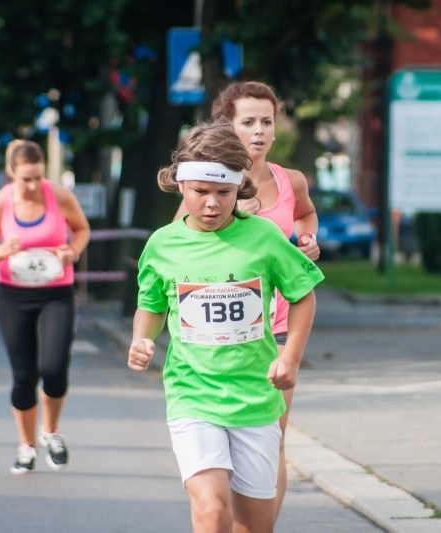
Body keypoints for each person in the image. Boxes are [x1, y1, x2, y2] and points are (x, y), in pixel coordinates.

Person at [129, 120, 324, 532]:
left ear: (240, 188)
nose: (213, 204)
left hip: (255, 397)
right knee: (213, 510)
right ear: (181, 185)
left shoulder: (264, 237)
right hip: (192, 394)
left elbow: (303, 295)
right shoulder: (162, 245)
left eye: (224, 192)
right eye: (201, 192)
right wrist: (141, 340)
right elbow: (150, 305)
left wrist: (291, 357)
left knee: (255, 524)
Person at [174, 80, 320, 521]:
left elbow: (305, 215)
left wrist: (308, 238)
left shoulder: (290, 179)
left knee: (272, 435)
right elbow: (179, 248)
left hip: (276, 325)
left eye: (267, 122)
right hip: (227, 335)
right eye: (248, 122)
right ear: (228, 128)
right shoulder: (206, 188)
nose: (258, 131)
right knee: (221, 452)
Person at [0, 140, 90, 474]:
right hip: (15, 297)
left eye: (38, 177)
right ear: (12, 174)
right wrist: (2, 251)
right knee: (24, 376)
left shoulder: (59, 195)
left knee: (53, 368)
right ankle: (26, 445)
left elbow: (81, 230)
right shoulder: (0, 203)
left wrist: (72, 252)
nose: (34, 185)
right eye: (26, 179)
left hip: (56, 295)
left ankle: (51, 432)